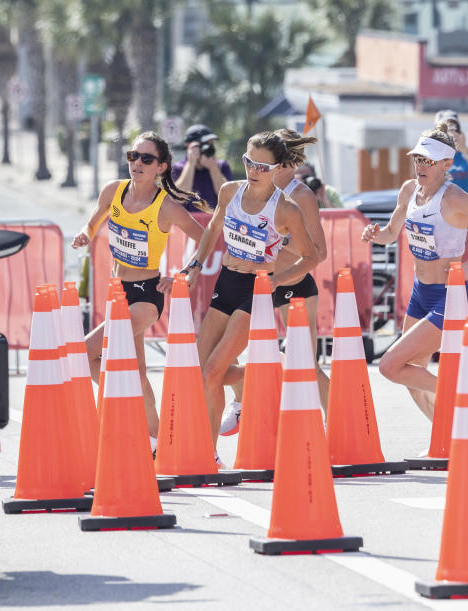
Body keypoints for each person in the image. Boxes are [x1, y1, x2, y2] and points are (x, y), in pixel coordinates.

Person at [362, 127, 468, 423]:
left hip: (448, 296)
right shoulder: (408, 190)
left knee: (390, 366)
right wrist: (374, 235)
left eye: (429, 161)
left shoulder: (454, 197)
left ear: (446, 164)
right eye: (418, 159)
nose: (421, 166)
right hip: (421, 293)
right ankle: (447, 435)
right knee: (410, 375)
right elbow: (392, 233)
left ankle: (461, 396)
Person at [187, 131, 319, 463]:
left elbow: (313, 256)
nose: (253, 171)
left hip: (256, 291)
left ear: (277, 169)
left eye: (262, 166)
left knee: (213, 372)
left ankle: (209, 453)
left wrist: (276, 279)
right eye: (249, 162)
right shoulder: (230, 191)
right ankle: (263, 374)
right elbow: (213, 229)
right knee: (198, 369)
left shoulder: (285, 209)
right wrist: (194, 265)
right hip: (227, 281)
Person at [71, 132, 208, 450]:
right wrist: (84, 234)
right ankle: (159, 437)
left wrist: (185, 273)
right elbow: (93, 222)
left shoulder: (166, 207)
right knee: (139, 371)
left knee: (85, 352)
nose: (137, 163)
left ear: (161, 167)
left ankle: (133, 415)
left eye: (147, 159)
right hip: (118, 291)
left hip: (147, 294)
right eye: (133, 156)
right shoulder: (113, 190)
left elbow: (205, 237)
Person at [219, 128, 327, 436]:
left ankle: (334, 423)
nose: (261, 164)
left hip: (291, 283)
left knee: (306, 363)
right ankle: (240, 402)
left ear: (284, 161)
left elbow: (319, 252)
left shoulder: (300, 195)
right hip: (254, 285)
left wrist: (278, 239)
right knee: (230, 347)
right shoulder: (248, 189)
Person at [171, 124, 232, 210]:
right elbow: (177, 198)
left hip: (215, 222)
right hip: (188, 222)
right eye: (204, 144)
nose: (208, 148)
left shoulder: (222, 166)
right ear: (189, 146)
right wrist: (191, 163)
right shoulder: (177, 168)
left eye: (210, 144)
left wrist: (213, 167)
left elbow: (229, 199)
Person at [439, 116, 468, 196]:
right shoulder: (436, 156)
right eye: (449, 130)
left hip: (467, 205)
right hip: (445, 204)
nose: (453, 134)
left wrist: (464, 149)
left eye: (456, 130)